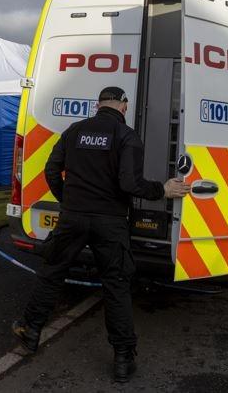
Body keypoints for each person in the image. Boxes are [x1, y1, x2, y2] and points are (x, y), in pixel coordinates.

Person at [12, 86, 190, 383]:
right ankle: (122, 360)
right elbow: (130, 184)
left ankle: (30, 332)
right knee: (116, 286)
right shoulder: (127, 137)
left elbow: (51, 170)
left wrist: (67, 199)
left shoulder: (74, 131)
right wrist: (163, 189)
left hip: (73, 218)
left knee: (52, 272)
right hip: (110, 222)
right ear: (124, 105)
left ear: (98, 105)